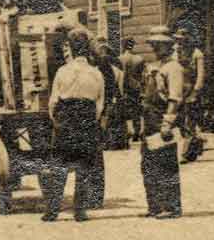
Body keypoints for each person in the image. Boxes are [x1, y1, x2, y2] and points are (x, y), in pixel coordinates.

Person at [41, 30, 107, 222]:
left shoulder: (63, 71)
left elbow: (53, 102)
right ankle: (80, 211)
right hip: (87, 119)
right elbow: (99, 106)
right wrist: (89, 120)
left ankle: (52, 211)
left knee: (59, 166)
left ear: (70, 47)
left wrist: (57, 121)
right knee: (83, 166)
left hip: (66, 120)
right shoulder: (96, 74)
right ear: (87, 50)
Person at [139, 33, 185, 219]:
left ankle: (171, 207)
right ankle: (155, 206)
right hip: (150, 120)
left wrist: (167, 123)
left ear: (169, 46)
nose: (155, 49)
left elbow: (174, 98)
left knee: (166, 165)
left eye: (159, 45)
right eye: (154, 45)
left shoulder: (173, 68)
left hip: (162, 120)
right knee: (148, 165)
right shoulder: (157, 67)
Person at [172, 28, 208, 162]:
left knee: (189, 121)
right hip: (178, 90)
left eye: (182, 40)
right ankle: (194, 145)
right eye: (178, 40)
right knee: (180, 121)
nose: (179, 43)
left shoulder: (197, 53)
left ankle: (184, 153)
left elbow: (200, 74)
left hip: (191, 91)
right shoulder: (175, 53)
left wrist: (196, 90)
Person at [116, 36, 148, 144]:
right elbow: (143, 77)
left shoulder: (119, 59)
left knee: (124, 111)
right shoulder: (139, 59)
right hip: (136, 87)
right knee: (136, 111)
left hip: (123, 87)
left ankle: (128, 132)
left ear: (122, 45)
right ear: (132, 45)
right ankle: (137, 132)